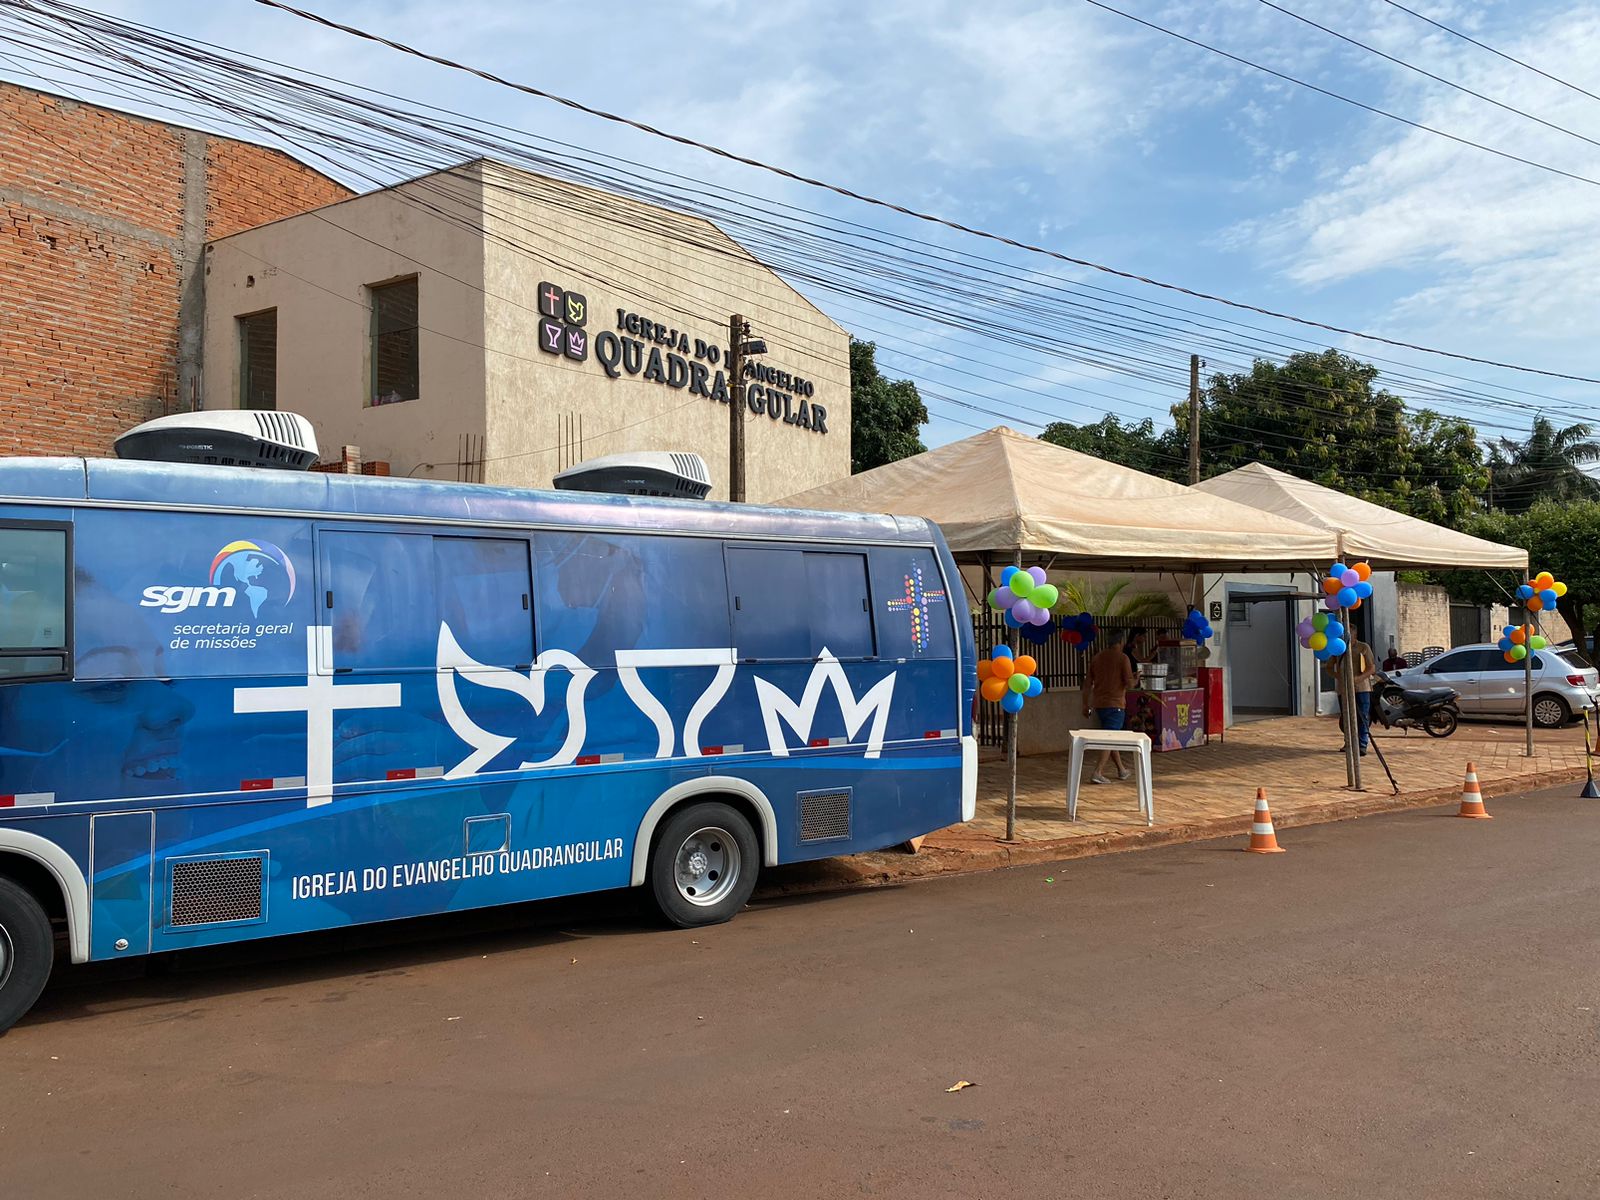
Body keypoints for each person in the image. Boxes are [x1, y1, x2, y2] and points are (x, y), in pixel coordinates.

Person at [1083, 629, 1136, 784]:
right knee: (1110, 737)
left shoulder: (1097, 658)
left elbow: (1087, 683)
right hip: (1116, 704)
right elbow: (1129, 683)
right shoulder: (1122, 658)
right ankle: (1098, 771)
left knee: (1110, 736)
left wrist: (1085, 703)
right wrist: (1136, 678)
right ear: (1121, 642)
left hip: (1099, 703)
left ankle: (1121, 769)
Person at [1326, 637, 1377, 756]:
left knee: (1362, 716)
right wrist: (1338, 676)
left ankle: (1362, 744)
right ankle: (1348, 743)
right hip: (1343, 689)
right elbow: (1329, 667)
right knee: (1346, 717)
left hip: (1362, 688)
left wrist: (1359, 679)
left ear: (1354, 635)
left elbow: (1371, 668)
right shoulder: (1338, 648)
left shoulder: (1363, 647)